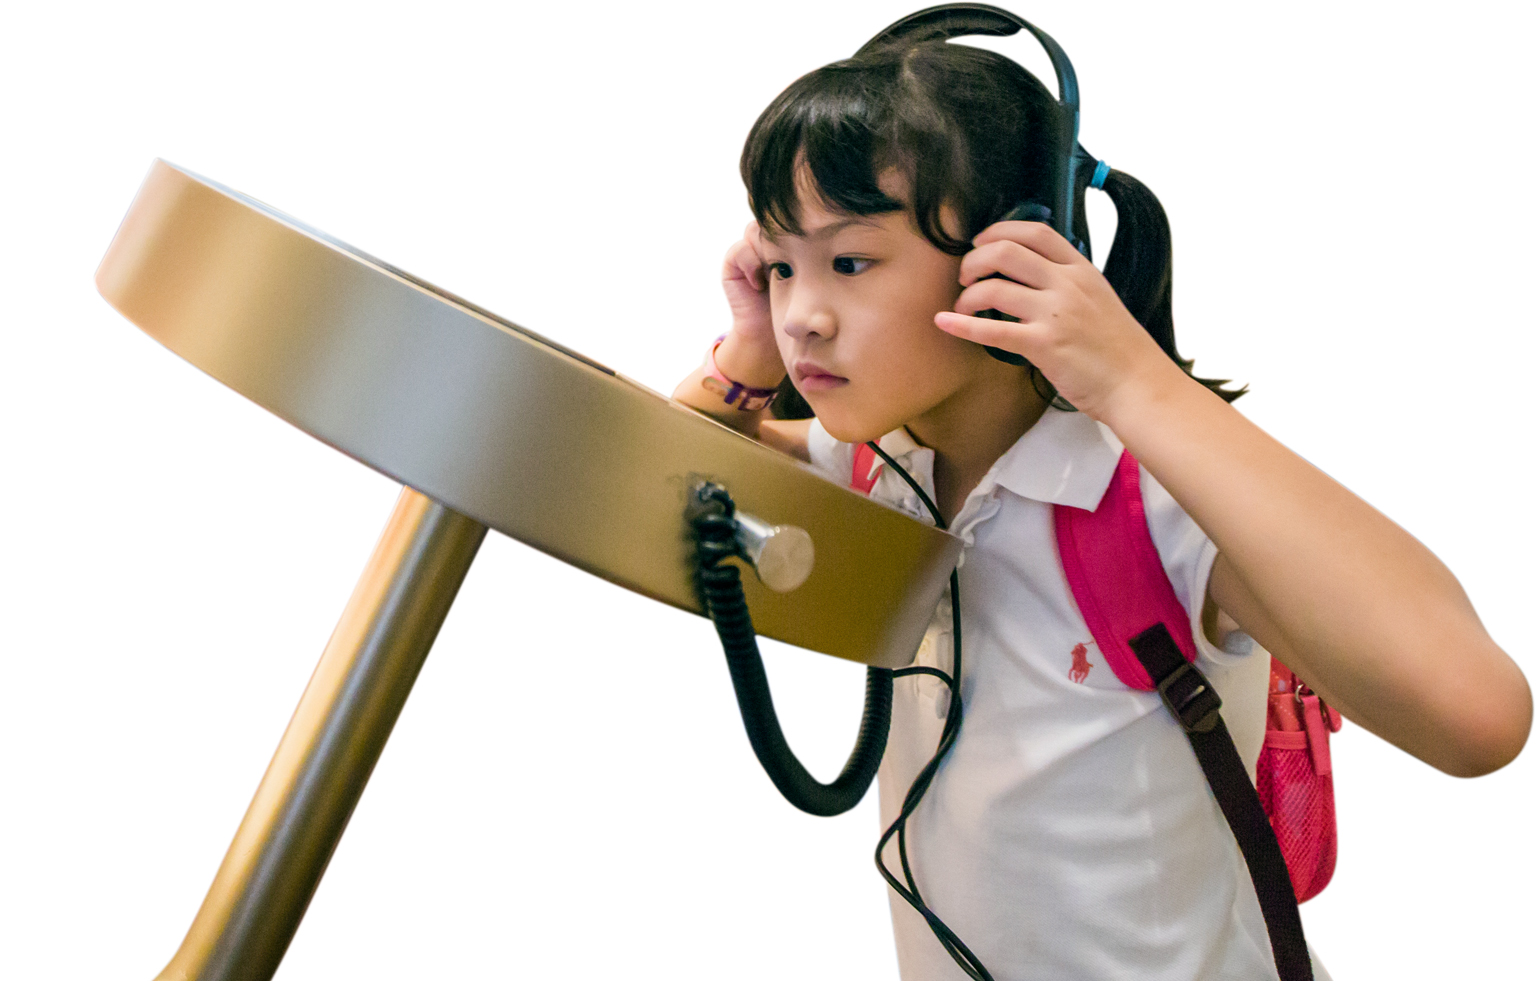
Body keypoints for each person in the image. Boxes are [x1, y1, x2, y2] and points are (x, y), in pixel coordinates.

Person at [672, 27, 1530, 981]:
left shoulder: (1150, 499)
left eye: (850, 263)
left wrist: (1134, 380)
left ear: (1014, 250)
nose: (803, 316)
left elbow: (1478, 715)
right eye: (782, 265)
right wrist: (743, 352)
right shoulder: (887, 461)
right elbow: (659, 483)